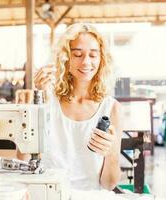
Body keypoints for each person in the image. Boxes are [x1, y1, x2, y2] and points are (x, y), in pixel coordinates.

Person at [33, 23, 123, 191]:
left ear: (101, 59)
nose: (86, 62)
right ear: (65, 58)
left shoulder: (112, 109)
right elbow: (23, 158)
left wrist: (110, 153)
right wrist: (33, 104)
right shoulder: (47, 101)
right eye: (77, 54)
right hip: (48, 192)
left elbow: (109, 184)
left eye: (93, 55)